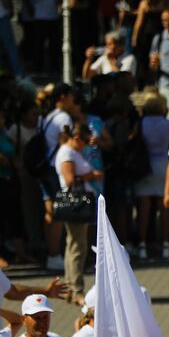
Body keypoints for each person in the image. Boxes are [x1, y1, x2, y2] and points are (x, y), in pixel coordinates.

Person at [53, 124, 100, 299]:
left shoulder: (73, 152)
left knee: (74, 244)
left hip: (80, 204)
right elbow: (70, 179)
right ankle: (76, 288)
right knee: (77, 246)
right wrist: (92, 175)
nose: (87, 144)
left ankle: (71, 287)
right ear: (77, 138)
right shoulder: (67, 153)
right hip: (76, 205)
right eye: (86, 141)